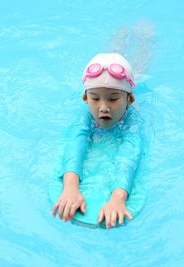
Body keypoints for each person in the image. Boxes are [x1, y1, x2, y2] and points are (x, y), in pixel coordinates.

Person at [52, 53, 144, 229]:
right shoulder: (85, 115)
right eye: (95, 98)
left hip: (134, 94)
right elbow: (75, 144)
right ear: (85, 98)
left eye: (113, 98)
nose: (103, 107)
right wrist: (70, 187)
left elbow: (130, 154)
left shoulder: (133, 120)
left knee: (140, 67)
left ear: (129, 100)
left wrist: (118, 198)